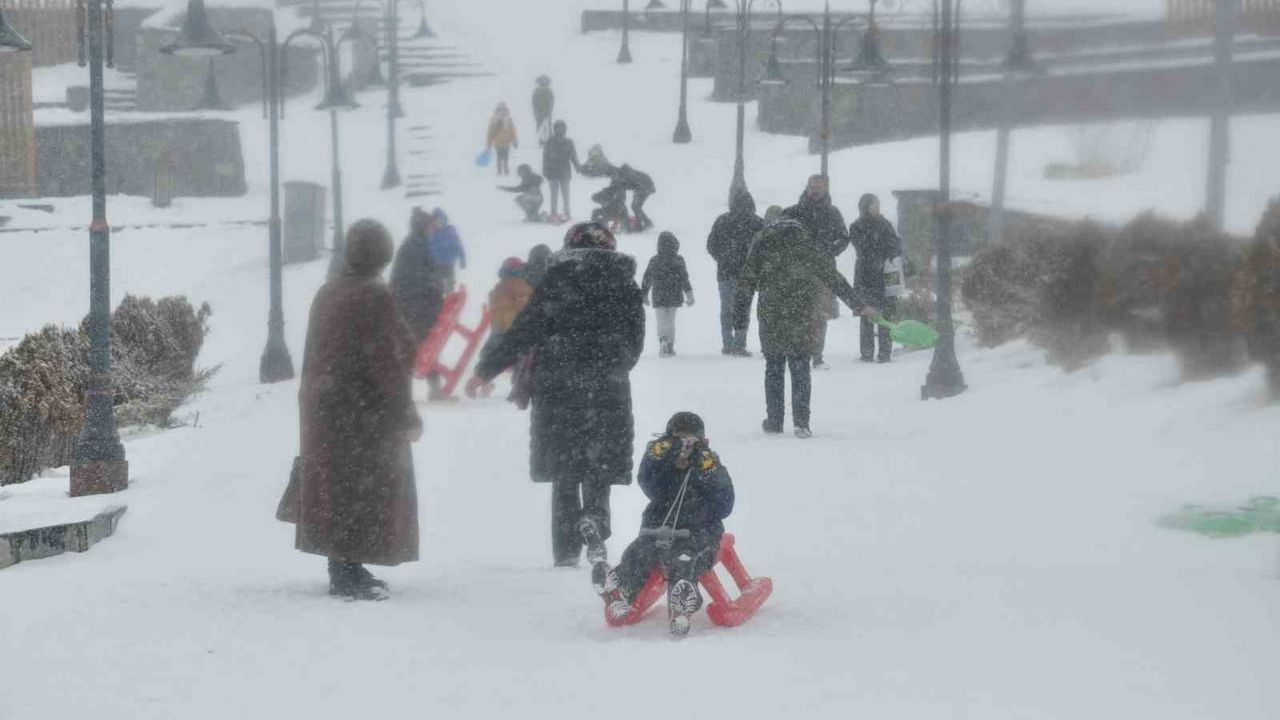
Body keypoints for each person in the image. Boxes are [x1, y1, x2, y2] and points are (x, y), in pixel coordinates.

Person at [469, 222, 645, 566]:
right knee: (599, 464)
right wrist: (614, 362)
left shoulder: (555, 281)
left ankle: (565, 551)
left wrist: (485, 370)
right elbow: (635, 339)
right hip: (607, 386)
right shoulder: (623, 284)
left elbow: (523, 331)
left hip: (558, 387)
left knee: (565, 471)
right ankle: (595, 517)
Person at [295, 219, 422, 601]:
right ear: (385, 255)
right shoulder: (373, 296)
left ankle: (345, 564)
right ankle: (347, 572)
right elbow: (389, 362)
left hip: (325, 406)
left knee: (338, 485)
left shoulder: (328, 291)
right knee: (364, 486)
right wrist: (405, 414)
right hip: (362, 409)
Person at [582, 411, 734, 637]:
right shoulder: (664, 467)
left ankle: (683, 599)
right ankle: (619, 588)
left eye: (690, 442)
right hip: (658, 529)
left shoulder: (710, 465)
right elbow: (648, 485)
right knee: (638, 554)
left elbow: (725, 505)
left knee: (685, 560)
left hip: (700, 531)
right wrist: (656, 459)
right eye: (678, 441)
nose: (684, 448)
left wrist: (708, 471)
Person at [734, 216, 874, 438]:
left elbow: (746, 283)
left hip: (771, 316)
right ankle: (801, 422)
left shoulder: (763, 247)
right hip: (802, 315)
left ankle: (774, 420)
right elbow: (833, 277)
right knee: (800, 366)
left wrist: (740, 319)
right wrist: (856, 304)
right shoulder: (807, 248)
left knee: (774, 367)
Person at [782, 175, 849, 370]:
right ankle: (798, 352)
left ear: (825, 188)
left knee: (819, 315)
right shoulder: (793, 212)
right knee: (798, 314)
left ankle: (817, 355)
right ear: (806, 187)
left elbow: (843, 238)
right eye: (812, 186)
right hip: (797, 271)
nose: (814, 190)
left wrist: (829, 250)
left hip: (824, 271)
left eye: (818, 187)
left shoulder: (833, 213)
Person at [707, 190, 763, 356]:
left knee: (726, 309)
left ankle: (727, 343)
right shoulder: (757, 222)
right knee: (743, 308)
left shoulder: (722, 220)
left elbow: (711, 245)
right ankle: (739, 343)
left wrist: (723, 259)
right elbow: (764, 246)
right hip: (748, 273)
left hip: (725, 273)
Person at [849, 193, 904, 363]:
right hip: (866, 275)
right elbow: (862, 248)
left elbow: (895, 244)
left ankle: (885, 353)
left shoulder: (885, 224)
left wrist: (890, 252)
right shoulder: (857, 226)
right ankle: (866, 353)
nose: (877, 207)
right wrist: (881, 250)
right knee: (867, 313)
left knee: (886, 314)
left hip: (886, 273)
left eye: (878, 204)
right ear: (865, 206)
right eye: (874, 204)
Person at [390, 207, 447, 346]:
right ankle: (420, 355)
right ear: (423, 227)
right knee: (426, 324)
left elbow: (427, 272)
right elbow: (419, 277)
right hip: (410, 302)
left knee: (430, 318)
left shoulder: (417, 243)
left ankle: (423, 354)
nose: (433, 230)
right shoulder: (415, 245)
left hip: (410, 300)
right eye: (430, 226)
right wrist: (436, 288)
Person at [641, 231, 694, 357]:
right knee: (671, 321)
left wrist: (644, 294)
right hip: (674, 295)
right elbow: (684, 278)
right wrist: (689, 295)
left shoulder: (654, 260)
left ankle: (663, 342)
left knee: (661, 321)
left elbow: (647, 278)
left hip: (659, 295)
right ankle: (670, 346)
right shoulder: (678, 260)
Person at [542, 120, 582, 220]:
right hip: (552, 171)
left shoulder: (569, 142)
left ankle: (567, 212)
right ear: (555, 129)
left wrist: (577, 167)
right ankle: (554, 212)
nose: (559, 130)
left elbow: (573, 156)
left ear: (564, 129)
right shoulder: (549, 142)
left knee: (565, 193)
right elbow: (545, 157)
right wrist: (544, 169)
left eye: (561, 128)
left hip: (564, 171)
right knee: (554, 194)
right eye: (557, 128)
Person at [428, 208, 466, 290]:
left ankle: (450, 294)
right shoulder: (432, 232)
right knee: (437, 285)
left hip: (449, 263)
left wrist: (462, 259)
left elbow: (458, 245)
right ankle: (439, 296)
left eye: (440, 220)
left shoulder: (450, 230)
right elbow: (428, 247)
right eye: (436, 220)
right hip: (436, 264)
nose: (438, 223)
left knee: (450, 283)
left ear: (444, 219)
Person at [617, 163, 656, 231]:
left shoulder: (631, 174)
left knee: (635, 206)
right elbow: (632, 185)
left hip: (644, 188)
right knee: (636, 207)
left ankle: (643, 223)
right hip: (645, 188)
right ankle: (645, 222)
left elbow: (633, 185)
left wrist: (623, 186)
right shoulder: (631, 174)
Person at [485, 102, 519, 176]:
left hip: (506, 143)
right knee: (499, 158)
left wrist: (515, 141)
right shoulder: (494, 120)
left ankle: (506, 171)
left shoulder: (509, 119)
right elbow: (490, 133)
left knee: (506, 158)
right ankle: (499, 171)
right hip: (498, 143)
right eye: (501, 110)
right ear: (498, 110)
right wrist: (488, 145)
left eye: (504, 110)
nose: (502, 112)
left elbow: (513, 130)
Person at [532, 75, 554, 146]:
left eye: (545, 83)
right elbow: (534, 103)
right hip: (539, 114)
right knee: (540, 127)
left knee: (548, 127)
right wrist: (536, 113)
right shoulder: (536, 92)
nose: (543, 84)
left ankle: (549, 141)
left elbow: (551, 103)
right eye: (542, 83)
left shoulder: (549, 92)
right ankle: (541, 141)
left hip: (547, 114)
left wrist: (549, 113)